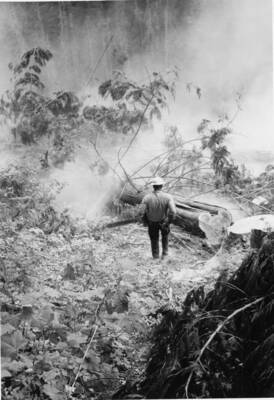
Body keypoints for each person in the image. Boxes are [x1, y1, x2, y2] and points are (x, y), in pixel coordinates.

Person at [141, 177, 176, 259]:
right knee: (165, 237)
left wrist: (144, 221)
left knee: (154, 239)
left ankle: (155, 256)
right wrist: (168, 221)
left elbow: (141, 212)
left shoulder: (147, 197)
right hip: (164, 221)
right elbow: (173, 211)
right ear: (162, 186)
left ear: (153, 186)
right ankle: (165, 255)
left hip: (152, 222)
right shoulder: (168, 197)